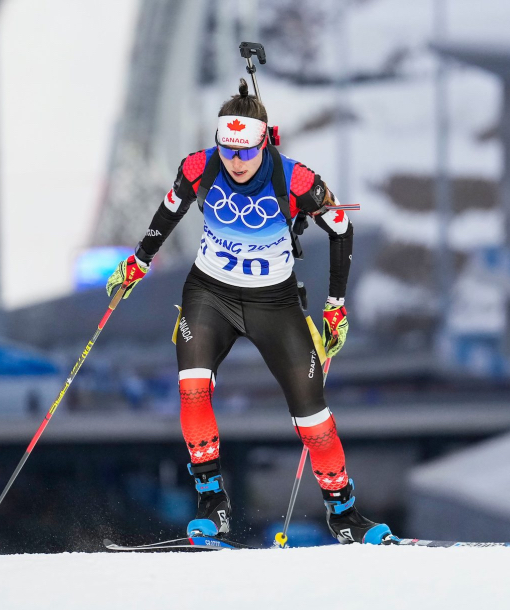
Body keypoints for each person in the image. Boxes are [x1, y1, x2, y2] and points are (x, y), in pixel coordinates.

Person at [106, 79, 393, 544]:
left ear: (265, 141)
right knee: (192, 388)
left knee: (312, 416)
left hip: (274, 303)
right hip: (209, 294)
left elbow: (342, 229)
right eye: (228, 150)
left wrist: (335, 305)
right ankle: (212, 504)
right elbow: (168, 212)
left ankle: (344, 513)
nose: (236, 162)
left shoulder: (296, 179)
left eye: (246, 151)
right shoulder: (199, 167)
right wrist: (138, 261)